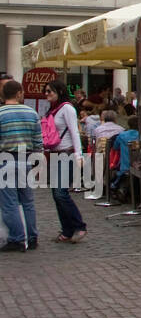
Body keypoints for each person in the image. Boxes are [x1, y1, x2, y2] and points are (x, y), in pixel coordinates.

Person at [0, 79, 41, 251]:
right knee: (28, 201)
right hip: (27, 159)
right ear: (19, 93)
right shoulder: (32, 113)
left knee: (9, 202)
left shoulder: (1, 114)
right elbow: (38, 141)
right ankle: (32, 237)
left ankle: (17, 238)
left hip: (5, 160)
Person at [44, 82, 87, 244]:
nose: (46, 94)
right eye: (45, 91)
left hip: (66, 154)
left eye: (50, 91)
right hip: (54, 154)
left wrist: (78, 154)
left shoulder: (67, 108)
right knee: (56, 194)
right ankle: (67, 230)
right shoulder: (53, 109)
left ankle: (79, 226)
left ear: (59, 91)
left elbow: (74, 131)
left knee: (61, 193)